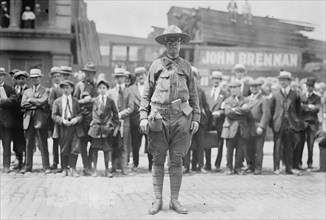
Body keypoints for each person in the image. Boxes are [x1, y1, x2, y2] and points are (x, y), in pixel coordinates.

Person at [139, 25, 200, 215]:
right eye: (170, 42)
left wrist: (196, 117)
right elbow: (146, 94)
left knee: (177, 160)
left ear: (181, 44)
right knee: (157, 159)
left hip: (181, 118)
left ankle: (175, 200)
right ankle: (158, 200)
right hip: (159, 117)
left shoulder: (187, 67)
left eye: (177, 41)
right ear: (166, 44)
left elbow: (194, 96)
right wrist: (143, 116)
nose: (173, 45)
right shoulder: (156, 65)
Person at [270, 71, 307, 175]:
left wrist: (297, 122)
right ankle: (276, 168)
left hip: (291, 125)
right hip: (279, 124)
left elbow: (298, 111)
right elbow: (271, 110)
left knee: (289, 147)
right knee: (277, 147)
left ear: (289, 81)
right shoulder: (275, 94)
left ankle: (289, 168)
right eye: (281, 80)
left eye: (285, 80)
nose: (282, 82)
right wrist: (272, 124)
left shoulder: (294, 94)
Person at [20, 69, 51, 174]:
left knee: (43, 143)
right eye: (32, 78)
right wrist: (36, 104)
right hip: (28, 120)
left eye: (36, 77)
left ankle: (46, 166)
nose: (34, 79)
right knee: (29, 143)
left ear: (40, 78)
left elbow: (44, 102)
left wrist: (31, 100)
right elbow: (23, 104)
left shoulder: (45, 90)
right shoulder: (26, 91)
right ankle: (28, 166)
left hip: (40, 120)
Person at [52, 80, 84, 177]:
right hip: (63, 128)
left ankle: (73, 168)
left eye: (68, 88)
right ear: (61, 89)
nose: (66, 90)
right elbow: (54, 115)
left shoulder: (75, 101)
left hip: (74, 127)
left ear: (72, 89)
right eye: (64, 88)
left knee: (75, 147)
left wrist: (76, 119)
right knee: (64, 147)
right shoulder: (57, 102)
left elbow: (81, 114)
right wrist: (62, 120)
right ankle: (65, 168)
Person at [88, 80, 119, 177]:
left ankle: (107, 170)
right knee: (94, 149)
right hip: (96, 128)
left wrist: (112, 125)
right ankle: (95, 170)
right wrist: (92, 123)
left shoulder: (110, 101)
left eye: (104, 88)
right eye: (100, 88)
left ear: (107, 89)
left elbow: (116, 115)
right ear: (97, 89)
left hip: (106, 129)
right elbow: (88, 112)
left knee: (107, 150)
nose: (102, 90)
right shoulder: (94, 100)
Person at [107, 68, 134, 175]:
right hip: (113, 123)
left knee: (124, 145)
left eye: (121, 77)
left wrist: (120, 114)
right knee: (113, 144)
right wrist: (113, 116)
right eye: (117, 77)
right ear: (114, 78)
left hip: (124, 122)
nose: (119, 79)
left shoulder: (129, 91)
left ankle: (124, 167)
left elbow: (131, 108)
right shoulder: (110, 92)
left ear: (125, 78)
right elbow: (108, 107)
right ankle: (113, 166)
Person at [183, 66, 209, 174]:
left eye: (194, 76)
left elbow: (205, 106)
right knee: (187, 144)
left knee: (200, 144)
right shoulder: (182, 89)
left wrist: (204, 113)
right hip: (186, 120)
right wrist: (189, 112)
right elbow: (180, 104)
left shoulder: (200, 91)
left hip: (200, 122)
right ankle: (186, 166)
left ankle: (200, 165)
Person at [74, 62, 98, 176]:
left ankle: (90, 164)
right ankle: (86, 167)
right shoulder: (79, 85)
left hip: (94, 118)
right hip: (83, 117)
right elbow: (74, 101)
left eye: (90, 73)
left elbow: (100, 99)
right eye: (86, 72)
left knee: (94, 143)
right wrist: (82, 101)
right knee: (83, 144)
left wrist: (91, 100)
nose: (88, 75)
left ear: (94, 74)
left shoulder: (98, 85)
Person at [221, 81, 250, 175]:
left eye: (235, 87)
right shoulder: (227, 100)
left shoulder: (245, 100)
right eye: (231, 88)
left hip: (241, 128)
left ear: (239, 88)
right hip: (230, 128)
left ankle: (238, 168)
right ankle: (229, 167)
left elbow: (246, 111)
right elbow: (228, 113)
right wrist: (240, 110)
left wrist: (234, 109)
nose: (233, 90)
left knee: (240, 149)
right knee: (229, 150)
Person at [245, 79, 270, 174]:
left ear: (259, 87)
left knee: (258, 149)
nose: (254, 88)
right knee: (249, 148)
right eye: (252, 86)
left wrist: (262, 126)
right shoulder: (247, 99)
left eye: (256, 86)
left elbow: (266, 114)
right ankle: (251, 166)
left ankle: (258, 168)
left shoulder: (264, 99)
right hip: (248, 127)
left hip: (258, 126)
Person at [295, 77, 321, 170]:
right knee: (300, 143)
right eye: (308, 85)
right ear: (306, 86)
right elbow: (299, 108)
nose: (310, 87)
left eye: (311, 86)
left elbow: (317, 109)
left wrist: (306, 107)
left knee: (311, 144)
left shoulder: (317, 97)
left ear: (313, 87)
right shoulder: (301, 96)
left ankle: (310, 163)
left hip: (312, 124)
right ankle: (299, 162)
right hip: (302, 123)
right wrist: (309, 106)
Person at [205, 71, 227, 172]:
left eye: (218, 79)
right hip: (209, 122)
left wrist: (220, 112)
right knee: (208, 142)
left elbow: (226, 108)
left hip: (219, 122)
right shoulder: (206, 93)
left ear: (221, 81)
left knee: (220, 144)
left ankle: (217, 164)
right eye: (214, 79)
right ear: (212, 80)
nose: (216, 81)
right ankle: (208, 164)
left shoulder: (224, 94)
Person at [11, 70, 29, 170]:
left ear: (26, 80)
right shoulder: (13, 90)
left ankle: (26, 162)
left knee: (25, 140)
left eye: (23, 79)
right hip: (15, 119)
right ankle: (19, 159)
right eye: (19, 79)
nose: (21, 81)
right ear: (16, 80)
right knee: (17, 140)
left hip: (26, 118)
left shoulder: (29, 90)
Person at [0, 67, 17, 173]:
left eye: (0, 75)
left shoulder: (10, 89)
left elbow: (13, 101)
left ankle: (6, 166)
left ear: (3, 77)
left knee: (6, 144)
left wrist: (1, 101)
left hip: (6, 121)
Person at [48, 67, 63, 171]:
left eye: (58, 76)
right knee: (55, 141)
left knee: (64, 141)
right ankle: (55, 162)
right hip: (56, 119)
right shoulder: (52, 90)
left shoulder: (64, 88)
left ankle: (64, 163)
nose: (57, 78)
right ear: (52, 78)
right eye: (55, 76)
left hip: (65, 118)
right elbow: (51, 104)